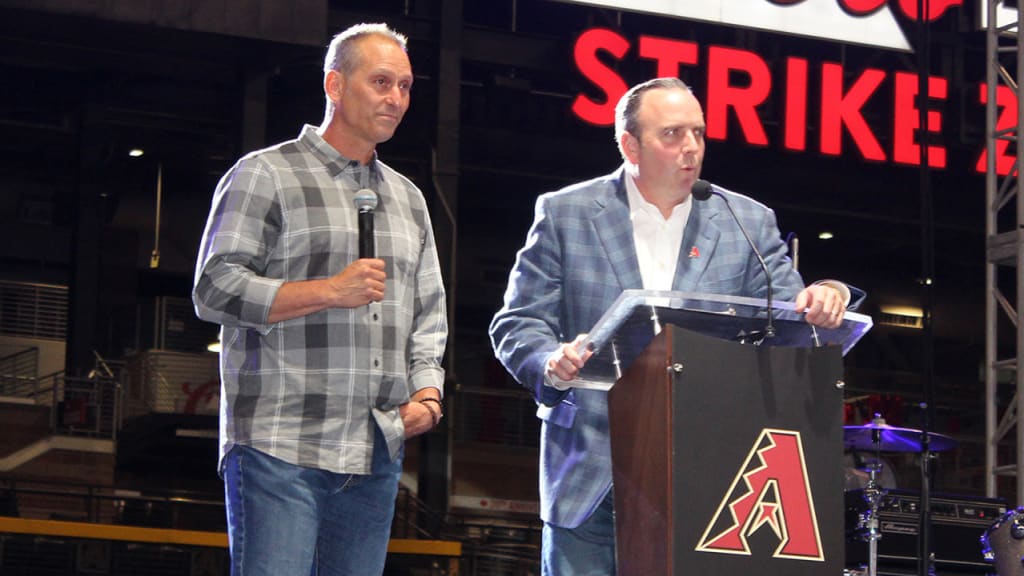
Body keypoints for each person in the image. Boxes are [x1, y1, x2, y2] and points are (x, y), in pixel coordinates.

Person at [489, 77, 863, 575]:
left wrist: (827, 294)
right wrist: (551, 363)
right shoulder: (565, 213)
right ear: (629, 145)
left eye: (699, 134)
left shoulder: (745, 221)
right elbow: (518, 323)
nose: (691, 148)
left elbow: (789, 319)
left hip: (710, 474)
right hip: (591, 467)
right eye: (672, 134)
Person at [192, 23, 447, 576]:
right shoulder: (266, 174)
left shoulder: (409, 198)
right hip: (281, 442)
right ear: (335, 84)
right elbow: (213, 288)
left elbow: (429, 314)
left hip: (376, 449)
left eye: (404, 86)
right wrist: (329, 291)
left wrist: (428, 394)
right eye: (381, 82)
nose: (395, 98)